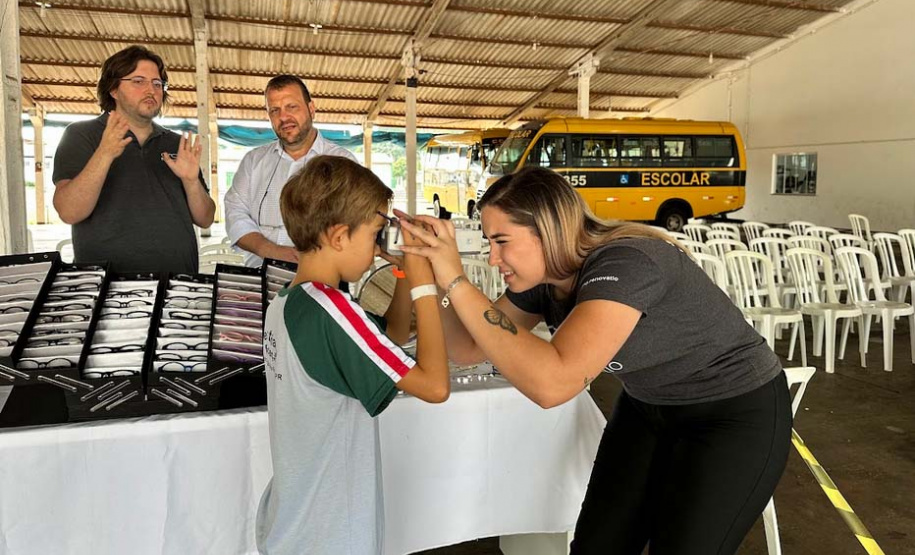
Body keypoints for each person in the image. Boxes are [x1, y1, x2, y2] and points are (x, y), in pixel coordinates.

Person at [399, 166, 792, 555]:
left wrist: (456, 280)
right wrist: (430, 274)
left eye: (502, 241)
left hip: (732, 412)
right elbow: (467, 348)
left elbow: (555, 383)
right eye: (489, 243)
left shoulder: (628, 262)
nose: (492, 258)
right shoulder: (546, 278)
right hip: (649, 407)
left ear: (549, 232)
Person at [256, 155, 449, 555]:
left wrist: (402, 275)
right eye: (376, 234)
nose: (379, 246)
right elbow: (434, 385)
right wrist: (426, 285)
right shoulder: (331, 309)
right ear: (340, 236)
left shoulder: (290, 303)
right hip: (329, 531)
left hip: (299, 519)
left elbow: (391, 336)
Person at [52, 45, 215, 274]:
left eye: (157, 83)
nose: (151, 90)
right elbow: (69, 211)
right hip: (110, 291)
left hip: (178, 285)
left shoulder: (177, 143)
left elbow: (206, 218)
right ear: (113, 89)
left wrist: (190, 181)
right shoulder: (82, 135)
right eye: (138, 81)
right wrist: (105, 153)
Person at [224, 74, 358, 267]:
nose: (283, 117)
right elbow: (235, 211)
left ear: (311, 109)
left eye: (291, 107)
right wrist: (269, 250)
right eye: (274, 110)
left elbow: (355, 223)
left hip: (320, 276)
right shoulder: (254, 161)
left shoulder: (342, 162)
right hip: (260, 275)